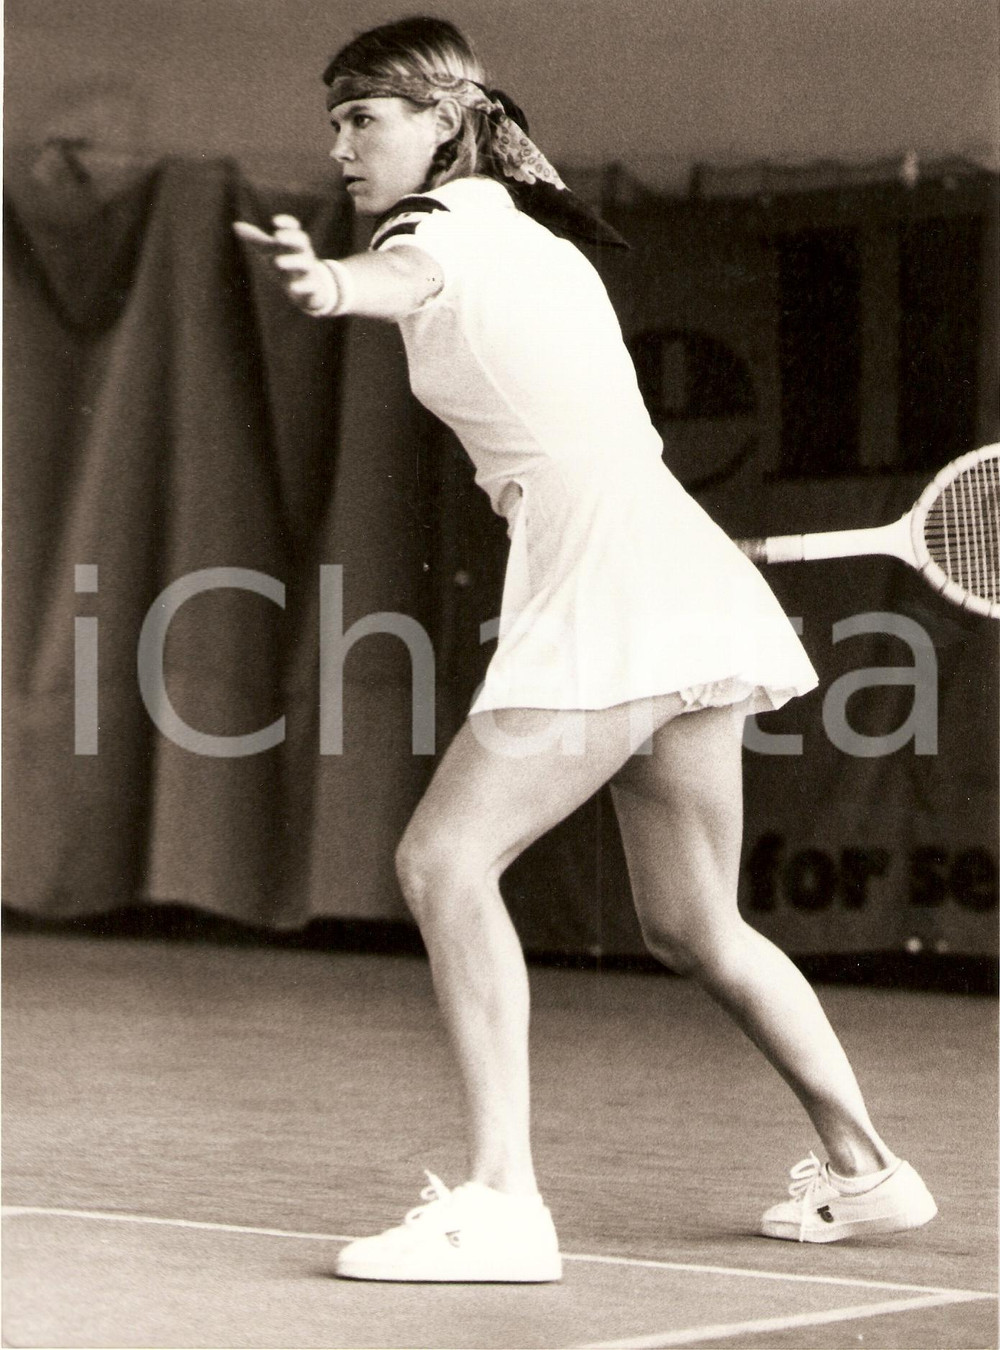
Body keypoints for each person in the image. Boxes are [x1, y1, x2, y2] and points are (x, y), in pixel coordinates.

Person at [234, 16, 936, 1283]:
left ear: (442, 120)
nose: (341, 145)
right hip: (672, 563)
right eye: (334, 120)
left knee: (443, 859)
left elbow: (397, 279)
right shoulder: (530, 233)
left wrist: (329, 284)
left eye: (362, 118)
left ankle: (503, 1204)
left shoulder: (431, 230)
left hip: (610, 576)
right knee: (695, 924)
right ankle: (868, 1172)